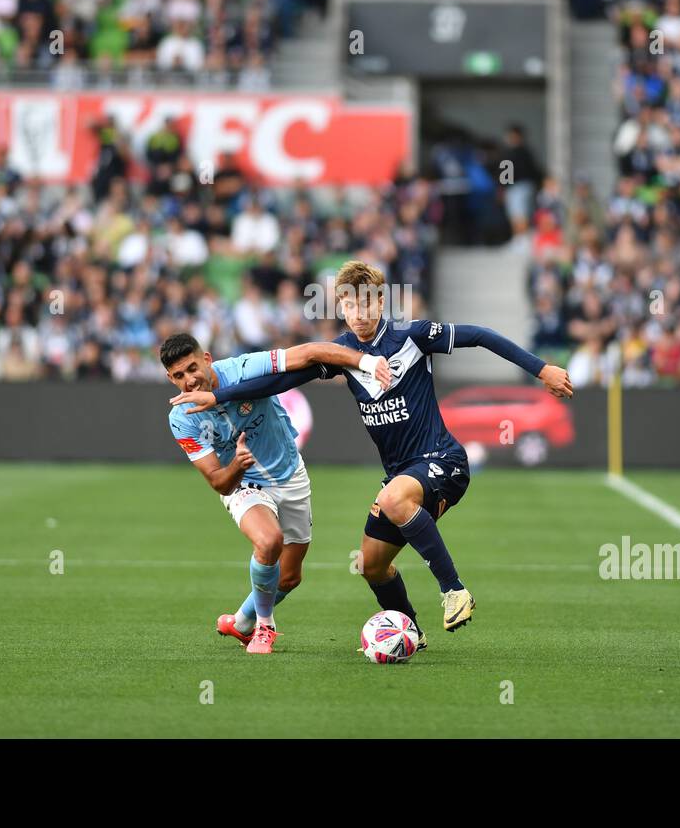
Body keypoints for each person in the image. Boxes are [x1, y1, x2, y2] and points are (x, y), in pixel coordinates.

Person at [171, 260, 574, 644]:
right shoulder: (344, 353)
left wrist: (542, 370)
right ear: (341, 307)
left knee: (393, 497)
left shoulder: (412, 337)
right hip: (401, 472)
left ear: (381, 302)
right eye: (349, 304)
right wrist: (218, 395)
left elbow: (482, 336)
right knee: (371, 564)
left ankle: (454, 590)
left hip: (442, 460)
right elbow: (277, 382)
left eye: (367, 302)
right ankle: (412, 632)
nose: (359, 312)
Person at [161, 333, 390, 654]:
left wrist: (366, 362)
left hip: (290, 474)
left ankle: (241, 621)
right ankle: (264, 626)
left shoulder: (243, 369)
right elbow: (219, 482)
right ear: (170, 379)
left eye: (192, 368)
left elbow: (310, 353)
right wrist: (238, 466)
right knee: (269, 542)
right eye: (179, 376)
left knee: (290, 577)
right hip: (242, 483)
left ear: (208, 359)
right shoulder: (180, 419)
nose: (189, 380)